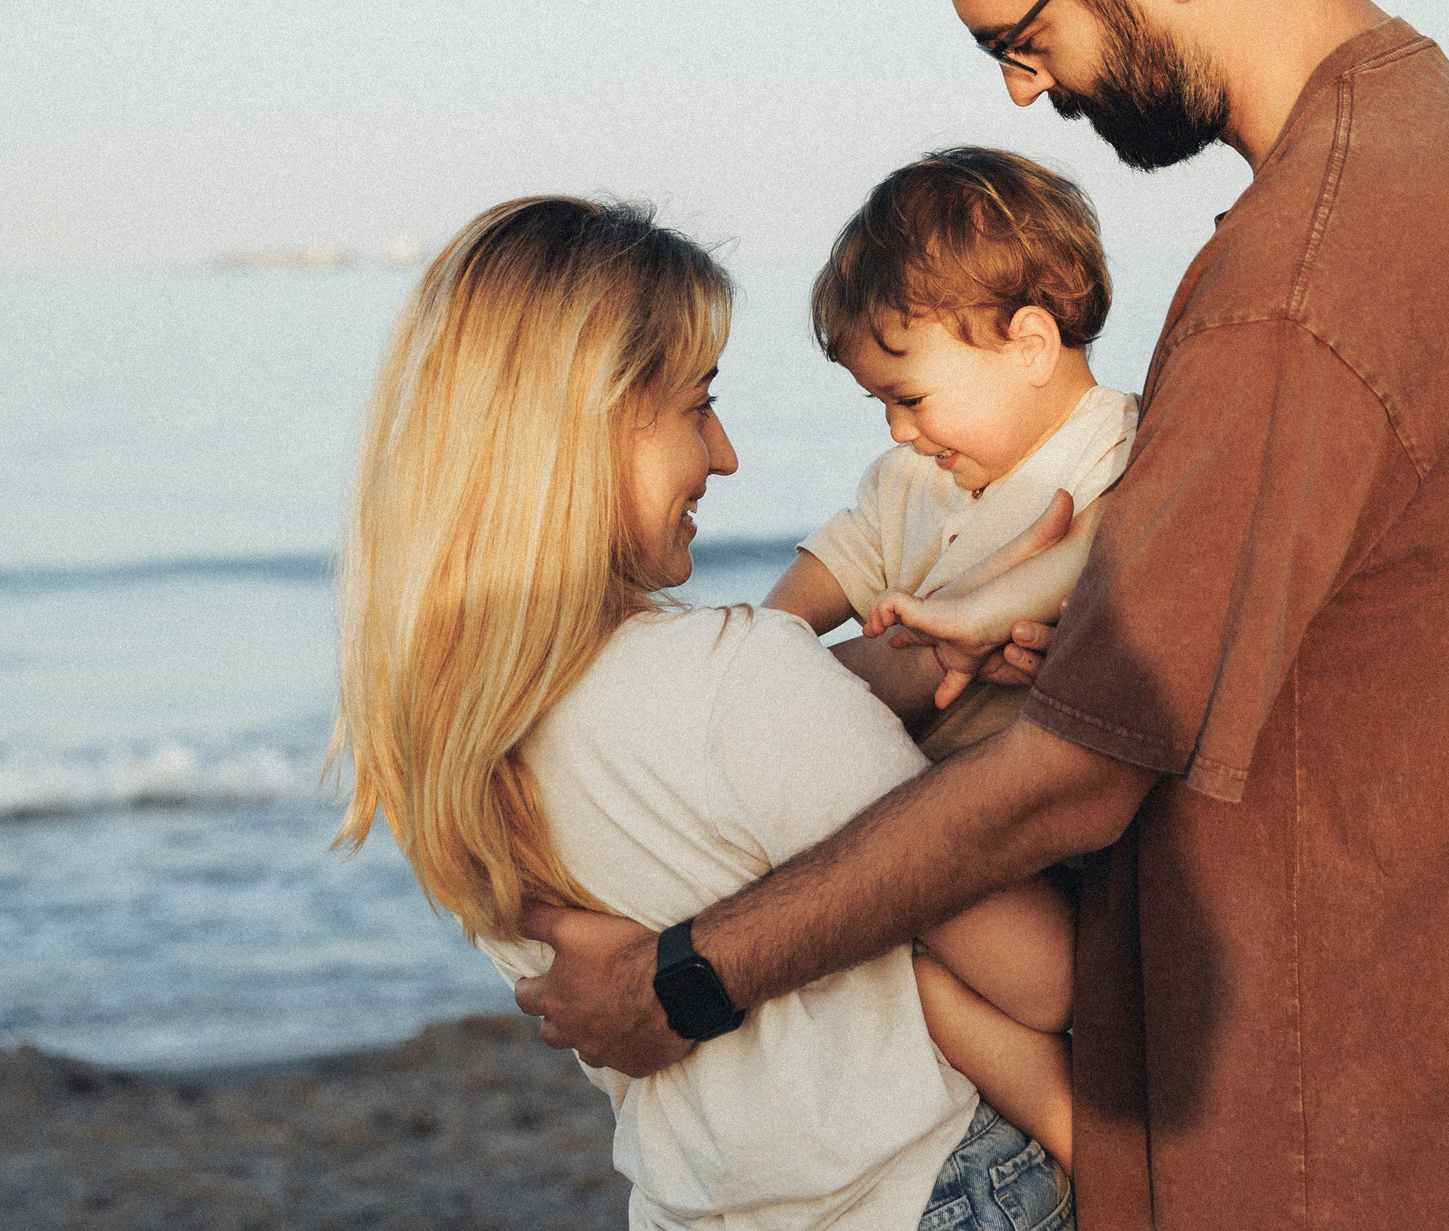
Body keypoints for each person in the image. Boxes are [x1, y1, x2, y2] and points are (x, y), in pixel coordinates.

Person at [514, 0, 1449, 1229]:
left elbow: (1073, 777)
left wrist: (689, 975)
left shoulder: (1308, 276)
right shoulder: (1432, 162)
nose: (1023, 86)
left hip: (1362, 1150)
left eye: (1025, 30)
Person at [331, 195, 1077, 1229]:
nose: (723, 455)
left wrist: (929, 646)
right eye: (695, 405)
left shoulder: (435, 742)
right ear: (584, 425)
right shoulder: (736, 681)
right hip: (929, 1191)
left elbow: (708, 763)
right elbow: (1043, 981)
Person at [764, 146, 1138, 763]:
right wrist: (764, 641)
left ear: (1030, 347)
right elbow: (832, 570)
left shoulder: (1117, 443)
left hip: (1026, 789)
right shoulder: (907, 478)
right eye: (878, 402)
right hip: (900, 779)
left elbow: (1114, 541)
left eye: (908, 398)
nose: (897, 430)